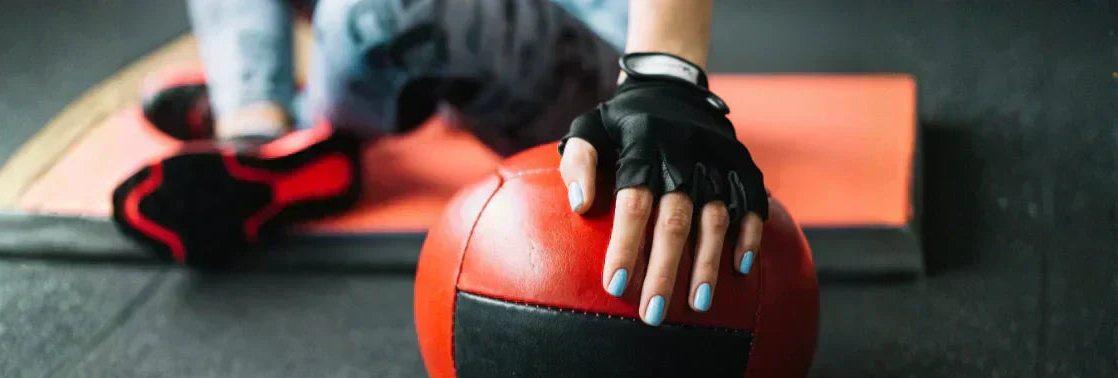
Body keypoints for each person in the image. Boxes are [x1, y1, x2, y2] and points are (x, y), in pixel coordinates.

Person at [128, 0, 769, 327]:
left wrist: (665, 76)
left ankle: (313, 124)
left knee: (375, 8)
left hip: (598, 51)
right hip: (448, 44)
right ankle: (256, 126)